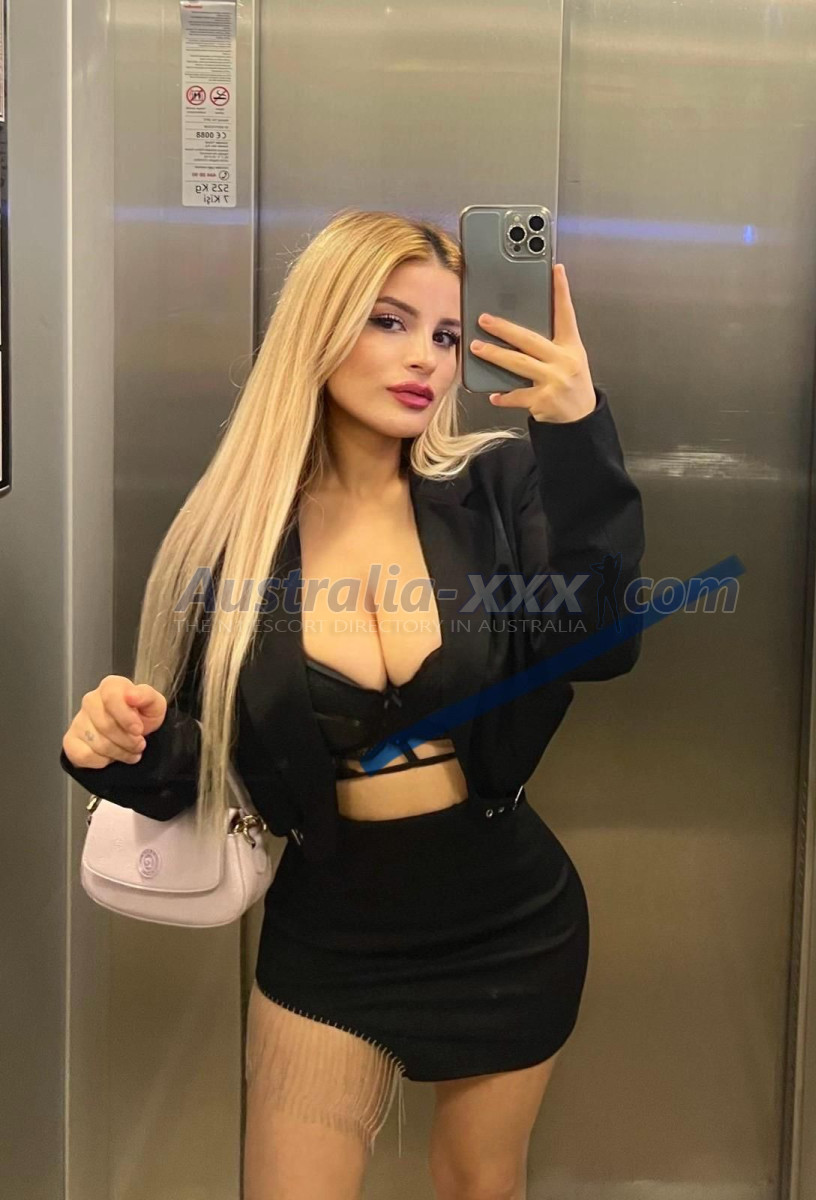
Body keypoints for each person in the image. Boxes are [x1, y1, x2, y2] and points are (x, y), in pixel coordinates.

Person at [60, 208, 646, 1199]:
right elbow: (212, 768)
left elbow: (603, 644)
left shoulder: (497, 487)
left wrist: (578, 435)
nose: (425, 358)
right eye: (389, 321)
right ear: (320, 326)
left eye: (448, 335)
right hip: (332, 939)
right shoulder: (238, 537)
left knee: (480, 1187)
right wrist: (119, 747)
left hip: (509, 921)